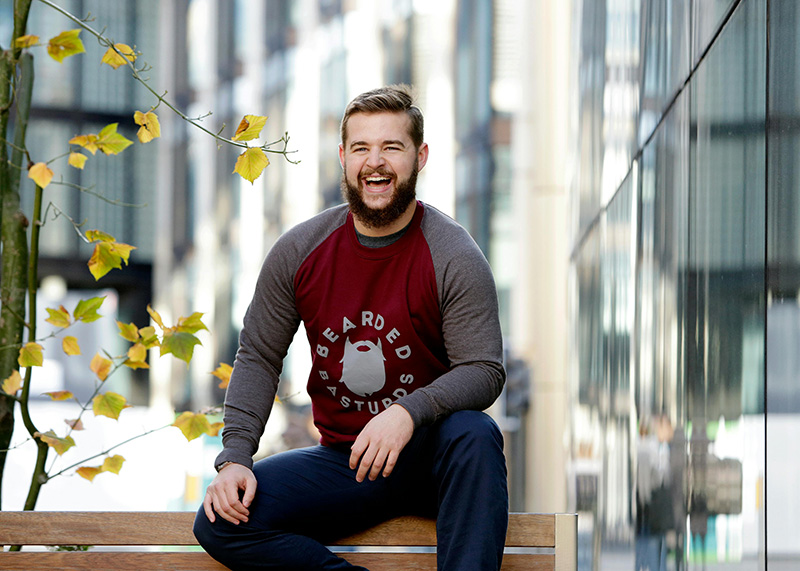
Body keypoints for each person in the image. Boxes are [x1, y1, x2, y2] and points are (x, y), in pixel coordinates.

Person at [193, 85, 509, 571]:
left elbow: (484, 370)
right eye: (361, 147)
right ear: (342, 157)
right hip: (347, 464)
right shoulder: (301, 251)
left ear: (420, 157)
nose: (375, 162)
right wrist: (235, 456)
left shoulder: (453, 254)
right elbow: (258, 354)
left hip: (435, 461)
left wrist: (408, 412)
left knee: (474, 432)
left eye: (392, 147)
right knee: (220, 521)